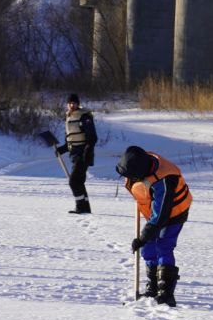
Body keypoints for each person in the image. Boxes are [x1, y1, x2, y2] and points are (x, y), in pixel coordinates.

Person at [116, 145, 192, 307]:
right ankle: (153, 286)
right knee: (148, 249)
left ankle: (166, 293)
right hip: (155, 214)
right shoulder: (139, 164)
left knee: (164, 245)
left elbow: (162, 215)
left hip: (174, 214)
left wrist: (143, 237)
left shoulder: (165, 179)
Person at [55, 94, 98, 214]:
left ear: (78, 104)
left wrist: (88, 151)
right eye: (70, 103)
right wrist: (61, 150)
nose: (72, 105)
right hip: (74, 154)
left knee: (73, 181)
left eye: (74, 103)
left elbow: (92, 137)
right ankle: (86, 207)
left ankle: (80, 206)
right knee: (79, 181)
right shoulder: (69, 117)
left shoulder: (84, 116)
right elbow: (70, 140)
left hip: (83, 154)